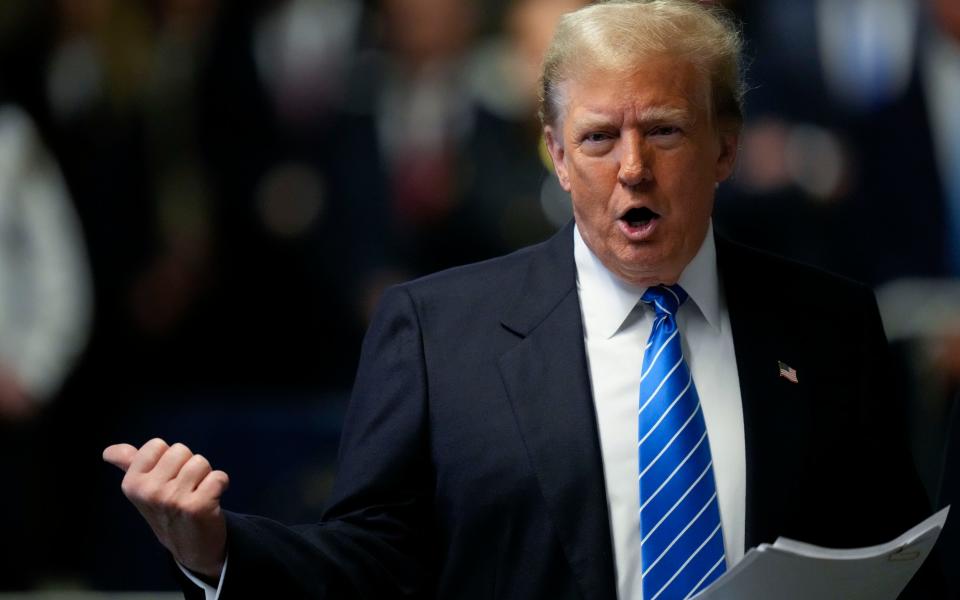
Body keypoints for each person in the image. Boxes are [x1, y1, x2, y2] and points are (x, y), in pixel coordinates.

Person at [103, 1, 941, 598]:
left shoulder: (832, 326)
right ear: (556, 153)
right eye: (598, 138)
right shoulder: (437, 334)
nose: (633, 168)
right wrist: (217, 552)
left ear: (726, 146)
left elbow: (894, 558)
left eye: (665, 130)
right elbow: (368, 566)